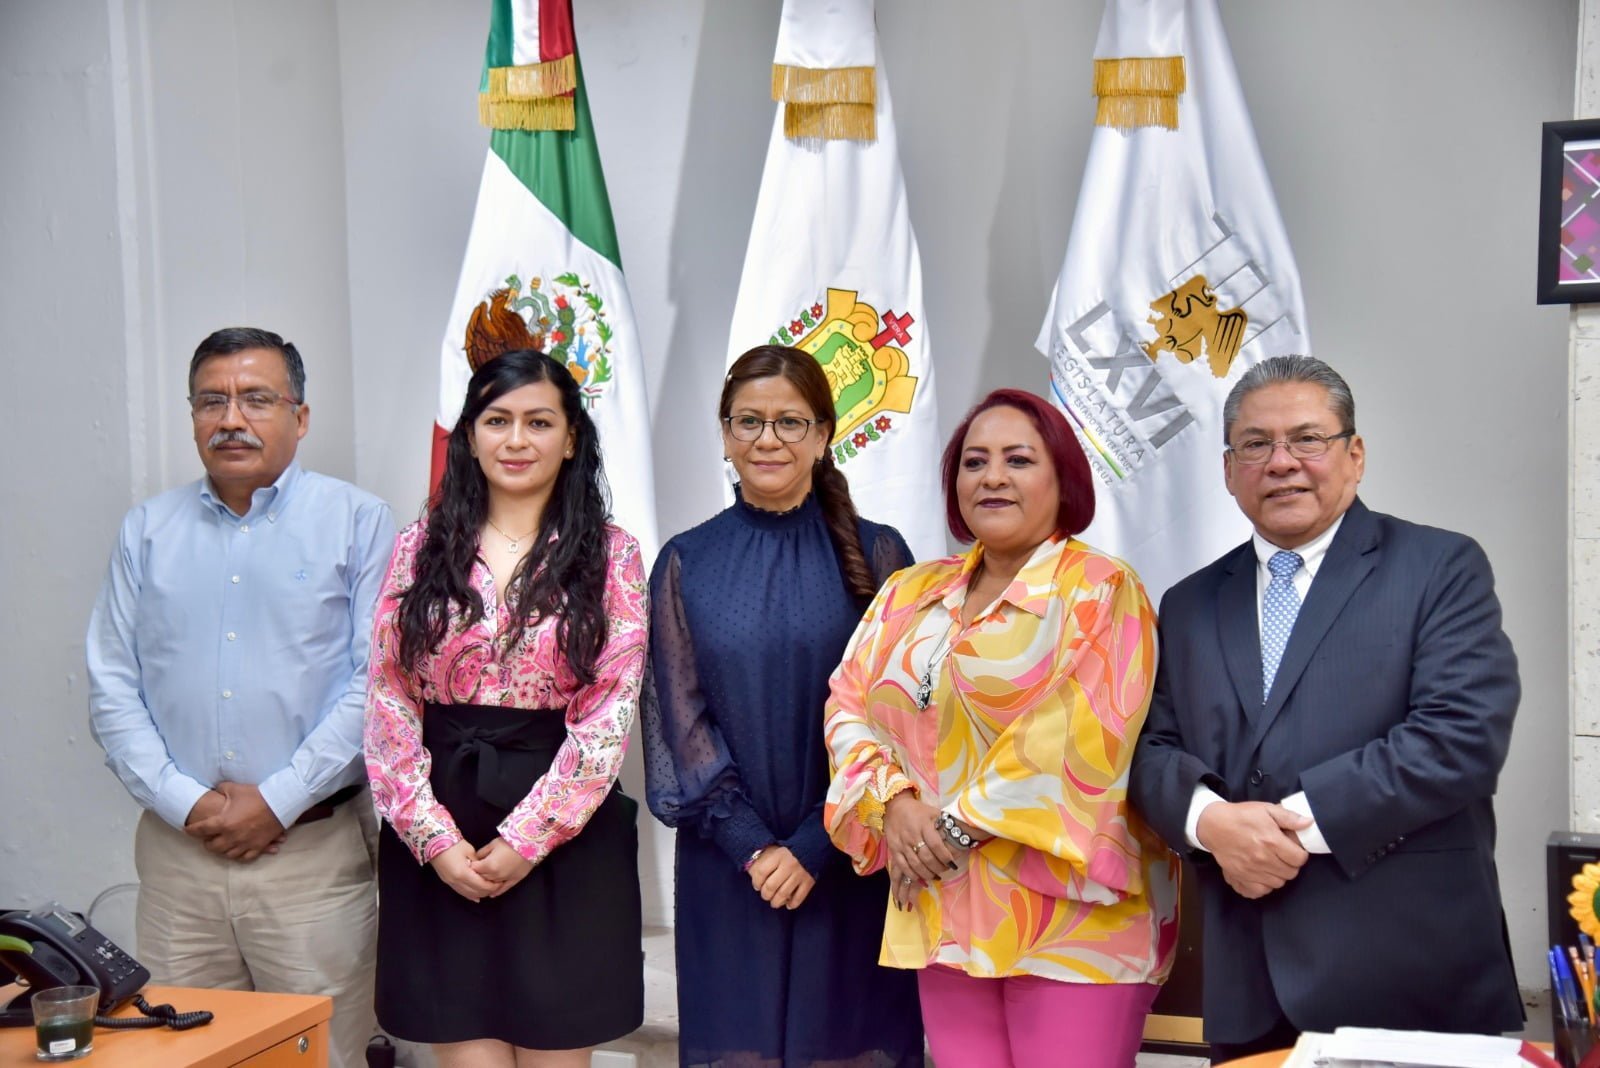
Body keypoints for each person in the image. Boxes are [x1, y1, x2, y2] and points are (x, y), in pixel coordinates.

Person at [1129, 355, 1523, 1060]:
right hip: (1249, 980)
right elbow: (1151, 750)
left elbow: (1461, 737)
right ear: (1228, 470)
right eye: (1256, 444)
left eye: (1307, 439)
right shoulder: (1189, 603)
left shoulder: (1439, 568)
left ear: (1355, 454)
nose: (1281, 462)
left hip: (1408, 973)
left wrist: (1289, 831)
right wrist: (1211, 822)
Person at [824, 388, 1178, 1068]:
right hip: (943, 906)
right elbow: (848, 703)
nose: (992, 477)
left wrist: (940, 836)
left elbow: (1072, 737)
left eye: (1018, 460)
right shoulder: (908, 592)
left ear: (1062, 479)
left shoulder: (1102, 589)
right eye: (974, 461)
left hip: (1075, 922)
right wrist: (892, 804)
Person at [87, 326, 394, 1068]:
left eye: (257, 399)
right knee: (180, 1054)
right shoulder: (147, 531)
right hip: (179, 860)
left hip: (311, 857)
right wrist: (188, 802)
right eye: (211, 401)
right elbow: (112, 686)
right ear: (192, 415)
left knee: (321, 1056)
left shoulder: (358, 523)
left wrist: (278, 801)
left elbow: (379, 686)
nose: (232, 419)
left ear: (300, 416)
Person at [640, 346, 923, 1068]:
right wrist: (756, 848)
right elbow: (681, 724)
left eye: (790, 422)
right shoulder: (685, 560)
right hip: (731, 867)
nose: (768, 439)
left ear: (824, 435)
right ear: (725, 433)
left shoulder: (882, 555)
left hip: (850, 859)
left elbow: (903, 723)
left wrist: (812, 845)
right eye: (750, 421)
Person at [364, 349, 645, 1068]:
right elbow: (389, 698)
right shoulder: (418, 548)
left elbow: (610, 713)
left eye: (538, 422)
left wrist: (528, 839)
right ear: (469, 434)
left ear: (571, 438)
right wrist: (432, 839)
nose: (516, 440)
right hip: (442, 835)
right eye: (497, 420)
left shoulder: (611, 555)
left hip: (563, 840)